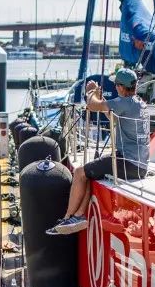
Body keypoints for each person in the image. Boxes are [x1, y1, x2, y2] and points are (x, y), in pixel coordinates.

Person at [48, 68, 148, 235]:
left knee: (80, 172)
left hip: (128, 162)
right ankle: (79, 215)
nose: (116, 88)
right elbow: (112, 117)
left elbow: (91, 105)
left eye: (116, 85)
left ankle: (67, 217)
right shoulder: (138, 103)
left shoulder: (125, 102)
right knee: (89, 173)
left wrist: (91, 92)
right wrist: (100, 98)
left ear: (121, 87)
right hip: (138, 164)